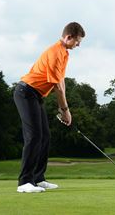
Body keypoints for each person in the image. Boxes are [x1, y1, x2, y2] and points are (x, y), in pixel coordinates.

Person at [13, 22, 85, 193]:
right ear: (68, 37)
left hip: (36, 96)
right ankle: (24, 182)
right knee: (34, 136)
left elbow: (61, 81)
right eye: (77, 41)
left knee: (45, 136)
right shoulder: (55, 53)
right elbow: (57, 88)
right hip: (25, 92)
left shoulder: (64, 53)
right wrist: (65, 110)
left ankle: (38, 178)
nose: (78, 45)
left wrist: (64, 109)